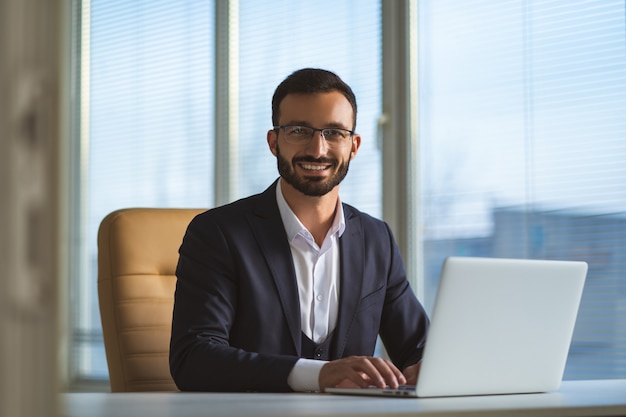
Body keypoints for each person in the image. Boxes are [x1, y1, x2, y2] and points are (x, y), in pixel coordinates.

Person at [169, 68, 429, 392]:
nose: (317, 150)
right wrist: (317, 375)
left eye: (334, 132)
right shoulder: (218, 234)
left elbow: (420, 348)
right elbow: (193, 359)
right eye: (299, 131)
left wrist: (431, 368)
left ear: (354, 145)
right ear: (274, 141)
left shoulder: (378, 241)